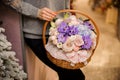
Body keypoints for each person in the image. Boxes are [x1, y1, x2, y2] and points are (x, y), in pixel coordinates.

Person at [1, 0, 85, 80]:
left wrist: (69, 21)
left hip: (60, 32)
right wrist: (37, 12)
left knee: (67, 74)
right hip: (37, 34)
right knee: (75, 76)